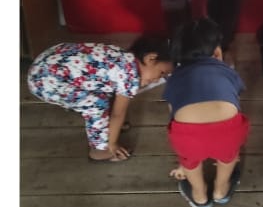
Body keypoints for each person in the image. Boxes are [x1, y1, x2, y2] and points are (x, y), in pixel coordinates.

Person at [27, 37, 172, 161]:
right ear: (150, 58)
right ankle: (100, 150)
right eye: (161, 73)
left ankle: (107, 128)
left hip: (46, 63)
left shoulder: (125, 57)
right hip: (47, 83)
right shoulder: (129, 76)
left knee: (105, 90)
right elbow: (118, 114)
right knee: (97, 105)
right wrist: (112, 143)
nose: (157, 80)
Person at [163, 17, 248, 207]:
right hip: (228, 131)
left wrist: (183, 162)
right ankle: (220, 190)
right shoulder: (227, 71)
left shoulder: (174, 78)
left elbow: (173, 116)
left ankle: (199, 195)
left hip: (187, 135)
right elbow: (235, 102)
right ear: (217, 52)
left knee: (190, 160)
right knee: (228, 155)